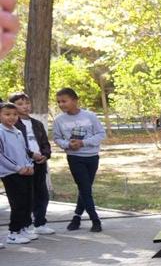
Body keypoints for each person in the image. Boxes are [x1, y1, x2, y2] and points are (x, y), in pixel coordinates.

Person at [52, 88, 105, 232]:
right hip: (75, 158)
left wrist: (83, 143)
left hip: (92, 157)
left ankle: (76, 217)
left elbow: (101, 134)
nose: (61, 104)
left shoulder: (90, 116)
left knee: (84, 189)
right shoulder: (59, 120)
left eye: (64, 101)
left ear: (75, 100)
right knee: (85, 189)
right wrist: (67, 144)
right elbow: (57, 138)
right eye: (58, 102)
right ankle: (95, 220)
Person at [9, 93, 53, 236]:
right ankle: (25, 225)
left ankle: (40, 223)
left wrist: (45, 155)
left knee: (42, 194)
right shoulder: (12, 125)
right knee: (27, 196)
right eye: (20, 104)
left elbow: (45, 143)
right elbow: (16, 146)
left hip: (39, 164)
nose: (25, 107)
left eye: (27, 103)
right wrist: (31, 154)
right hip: (24, 165)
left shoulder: (37, 124)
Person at [0, 102, 35, 246]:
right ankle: (13, 233)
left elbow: (25, 151)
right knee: (18, 203)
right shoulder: (1, 132)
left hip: (25, 171)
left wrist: (29, 165)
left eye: (14, 114)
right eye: (7, 114)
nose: (12, 117)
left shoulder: (18, 131)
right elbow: (1, 155)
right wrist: (17, 168)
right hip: (10, 173)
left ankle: (23, 228)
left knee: (28, 201)